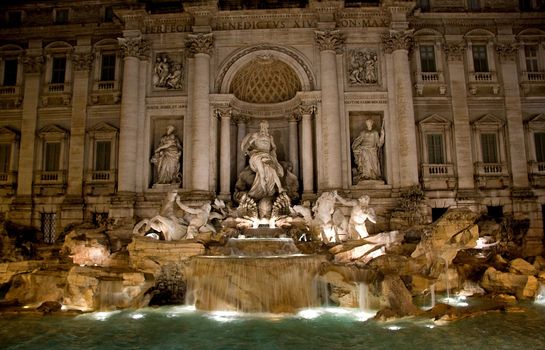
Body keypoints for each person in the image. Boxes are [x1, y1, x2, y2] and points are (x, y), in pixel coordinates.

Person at [240, 121, 284, 200]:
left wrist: (273, 151)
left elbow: (274, 147)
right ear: (260, 127)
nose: (263, 128)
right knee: (262, 174)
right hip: (257, 155)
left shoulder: (270, 137)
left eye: (265, 127)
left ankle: (277, 188)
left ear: (267, 128)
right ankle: (265, 191)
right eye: (262, 126)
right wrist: (246, 151)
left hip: (267, 156)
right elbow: (247, 144)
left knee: (272, 169)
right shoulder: (256, 135)